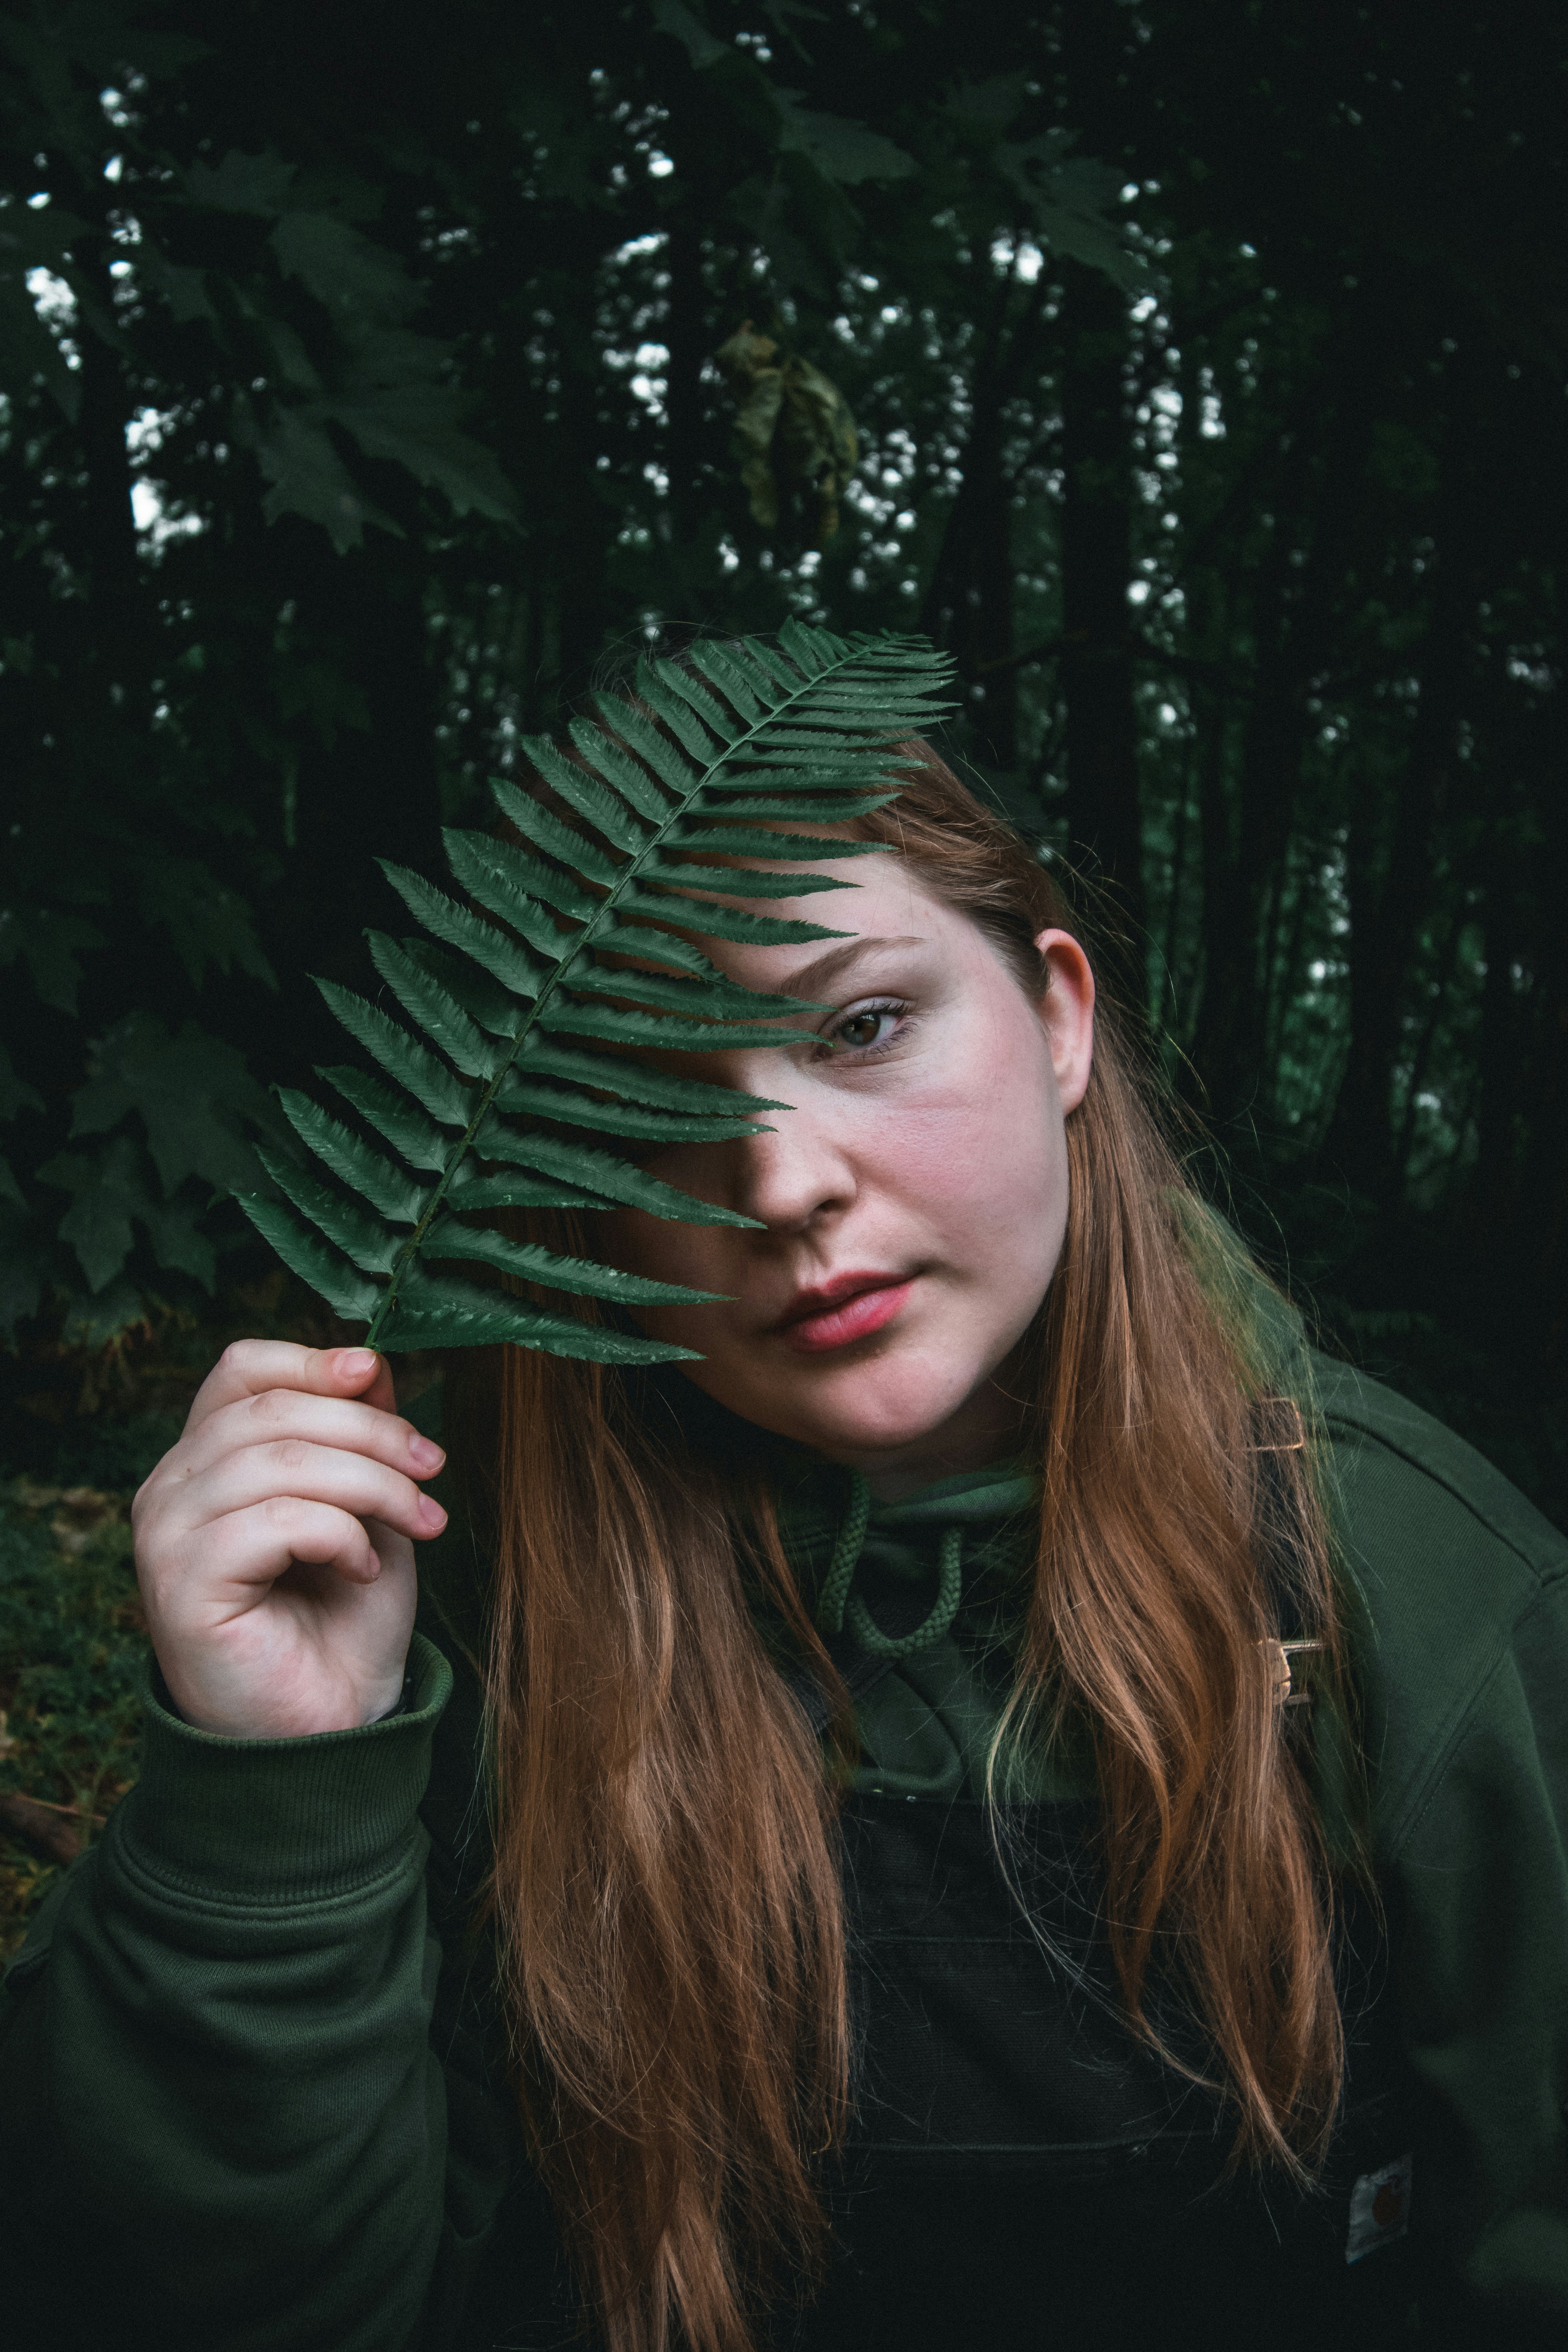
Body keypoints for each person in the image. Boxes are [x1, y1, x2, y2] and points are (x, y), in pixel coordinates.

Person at [2, 736, 1566, 2352]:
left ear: (1055, 1016)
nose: (776, 1179)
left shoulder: (1415, 1590)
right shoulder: (458, 1591)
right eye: (649, 1105)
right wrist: (268, 1807)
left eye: (862, 1025)